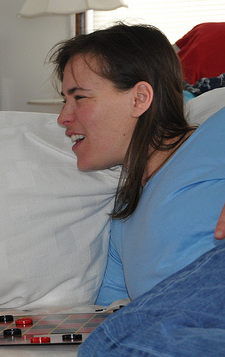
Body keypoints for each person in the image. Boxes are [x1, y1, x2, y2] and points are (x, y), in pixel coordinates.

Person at [50, 23, 225, 355]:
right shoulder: (122, 220)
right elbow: (116, 319)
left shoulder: (217, 132)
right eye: (64, 100)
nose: (63, 118)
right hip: (190, 332)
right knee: (114, 339)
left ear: (140, 98)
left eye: (80, 98)